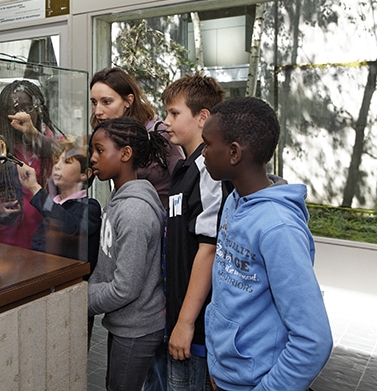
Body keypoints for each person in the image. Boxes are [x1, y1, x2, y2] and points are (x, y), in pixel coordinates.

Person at [202, 97, 333, 391]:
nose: (203, 154)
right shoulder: (235, 201)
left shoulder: (278, 227)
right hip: (225, 376)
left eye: (207, 144)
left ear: (234, 153)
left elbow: (314, 340)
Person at [150, 72, 228, 391]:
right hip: (179, 319)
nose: (166, 121)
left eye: (174, 113)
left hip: (196, 329)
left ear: (202, 117)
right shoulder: (184, 168)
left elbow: (208, 249)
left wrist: (185, 323)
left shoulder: (209, 171)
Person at [87, 116, 169, 391]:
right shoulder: (119, 201)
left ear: (125, 154)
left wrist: (82, 299)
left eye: (100, 150)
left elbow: (125, 288)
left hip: (137, 327)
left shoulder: (134, 212)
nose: (93, 159)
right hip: (124, 323)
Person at [0, 79, 62, 249]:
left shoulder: (53, 142)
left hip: (46, 246)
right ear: (4, 114)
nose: (21, 115)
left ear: (38, 110)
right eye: (13, 110)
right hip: (2, 245)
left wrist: (33, 135)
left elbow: (68, 159)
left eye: (27, 108)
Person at [90, 67, 184, 209]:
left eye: (106, 102)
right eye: (94, 102)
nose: (98, 111)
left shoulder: (159, 132)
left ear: (128, 101)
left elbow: (181, 180)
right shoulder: (104, 135)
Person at [16, 137, 101, 266]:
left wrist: (35, 188)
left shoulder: (90, 207)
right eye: (56, 161)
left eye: (67, 162)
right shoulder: (55, 204)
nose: (57, 166)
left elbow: (69, 227)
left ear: (85, 174)